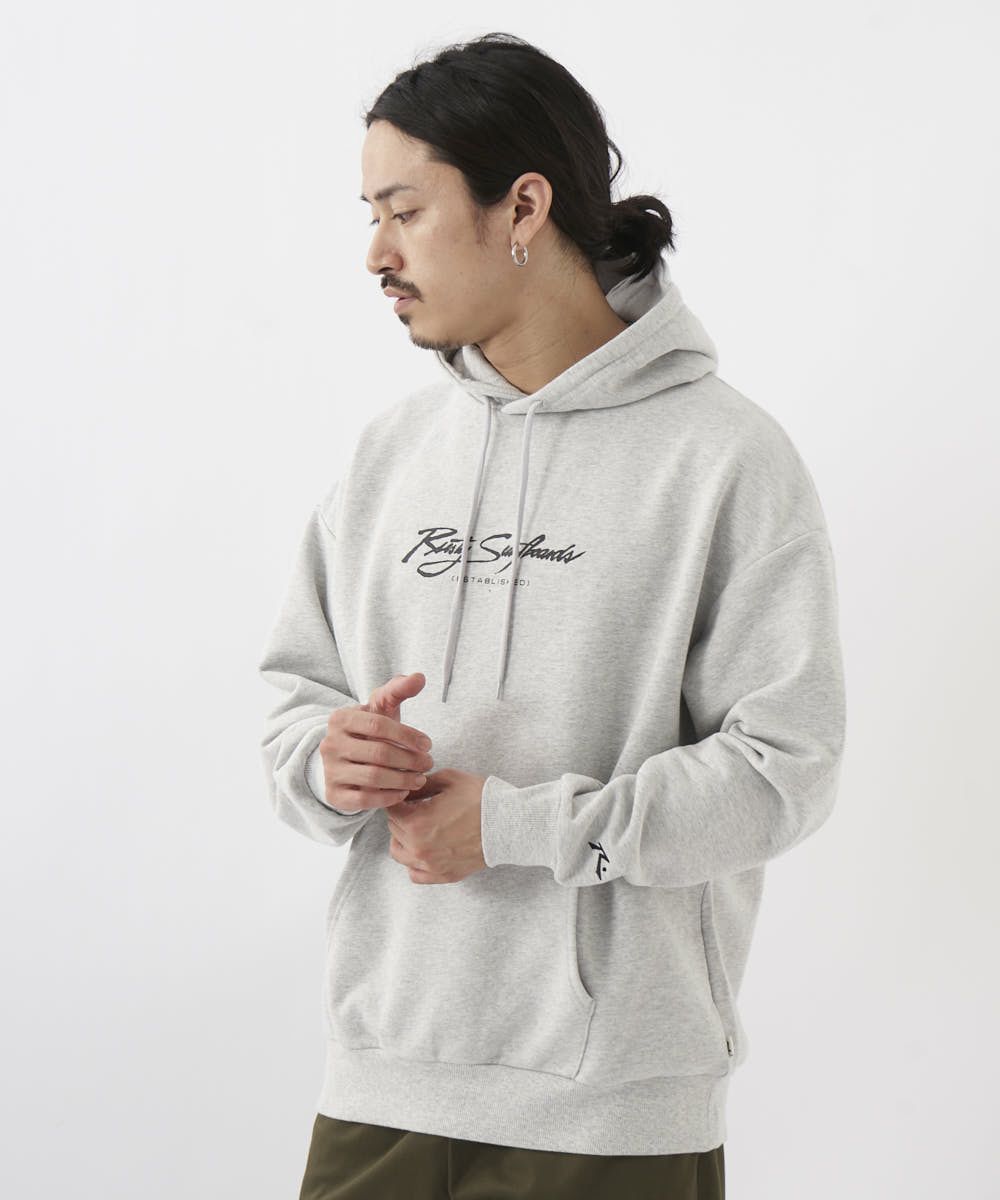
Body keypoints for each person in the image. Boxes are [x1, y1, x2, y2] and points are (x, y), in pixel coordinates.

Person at [257, 31, 846, 1200]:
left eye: (405, 211)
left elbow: (786, 772)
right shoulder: (388, 457)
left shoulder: (723, 460)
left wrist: (523, 828)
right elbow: (292, 702)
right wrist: (329, 761)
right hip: (380, 1082)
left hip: (608, 1109)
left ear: (522, 207)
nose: (376, 253)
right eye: (369, 216)